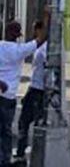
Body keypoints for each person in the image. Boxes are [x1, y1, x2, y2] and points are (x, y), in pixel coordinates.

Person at [0, 15, 47, 167]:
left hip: (7, 93)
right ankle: (5, 160)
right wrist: (47, 16)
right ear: (17, 36)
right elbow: (40, 39)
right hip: (8, 97)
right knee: (6, 131)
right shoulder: (19, 50)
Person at [13, 24, 46, 164]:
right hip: (35, 88)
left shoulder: (44, 48)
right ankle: (24, 151)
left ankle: (22, 152)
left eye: (35, 30)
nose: (33, 32)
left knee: (25, 121)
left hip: (37, 89)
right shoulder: (42, 47)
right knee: (29, 122)